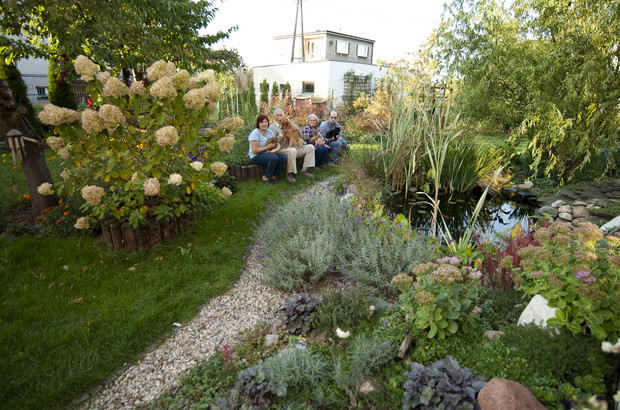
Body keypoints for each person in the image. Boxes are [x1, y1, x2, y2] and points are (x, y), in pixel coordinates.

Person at [247, 114, 287, 184]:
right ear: (258, 123)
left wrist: (275, 150)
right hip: (256, 156)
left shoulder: (269, 132)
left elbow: (277, 144)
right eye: (262, 122)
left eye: (266, 122)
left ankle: (274, 176)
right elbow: (255, 150)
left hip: (268, 153)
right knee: (273, 157)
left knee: (283, 158)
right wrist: (267, 147)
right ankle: (266, 177)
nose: (264, 124)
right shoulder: (255, 133)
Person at [278, 117, 316, 182]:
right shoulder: (273, 127)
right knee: (292, 150)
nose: (279, 117)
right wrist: (282, 133)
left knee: (310, 147)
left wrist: (297, 129)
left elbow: (301, 136)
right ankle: (290, 173)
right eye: (277, 115)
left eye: (281, 115)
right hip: (282, 149)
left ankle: (304, 170)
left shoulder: (289, 124)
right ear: (274, 117)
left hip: (294, 147)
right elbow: (274, 142)